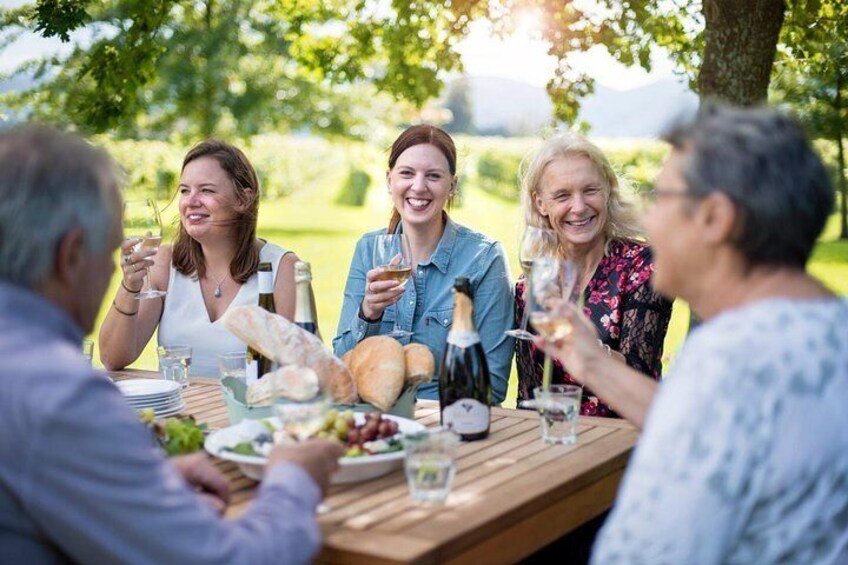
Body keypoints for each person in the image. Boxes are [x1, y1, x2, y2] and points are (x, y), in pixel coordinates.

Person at [0, 125, 343, 563]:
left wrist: (138, 481)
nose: (111, 271)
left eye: (205, 190)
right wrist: (293, 479)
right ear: (70, 256)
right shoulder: (61, 396)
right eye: (107, 253)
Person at [541, 106, 848, 562]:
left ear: (714, 217)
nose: (650, 220)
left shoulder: (730, 361)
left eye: (662, 198)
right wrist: (588, 362)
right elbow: (703, 426)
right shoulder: (828, 329)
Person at [333, 125, 514, 404]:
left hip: (451, 425)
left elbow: (493, 384)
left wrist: (415, 407)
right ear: (389, 180)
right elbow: (341, 367)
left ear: (452, 186)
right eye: (407, 173)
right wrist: (368, 313)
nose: (418, 186)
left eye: (433, 176)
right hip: (376, 425)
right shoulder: (368, 250)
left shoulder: (484, 258)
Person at [99, 139, 302, 376]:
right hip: (177, 412)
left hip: (251, 411)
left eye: (206, 190)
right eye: (185, 190)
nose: (190, 202)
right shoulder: (164, 262)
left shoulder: (282, 268)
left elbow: (302, 372)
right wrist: (130, 286)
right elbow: (113, 358)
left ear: (243, 199)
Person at [515, 133, 672, 417]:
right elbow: (528, 396)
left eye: (590, 190)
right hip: (554, 442)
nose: (578, 207)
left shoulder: (641, 267)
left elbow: (642, 377)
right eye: (562, 195)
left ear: (608, 191)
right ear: (541, 204)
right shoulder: (533, 285)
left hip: (622, 440)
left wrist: (589, 350)